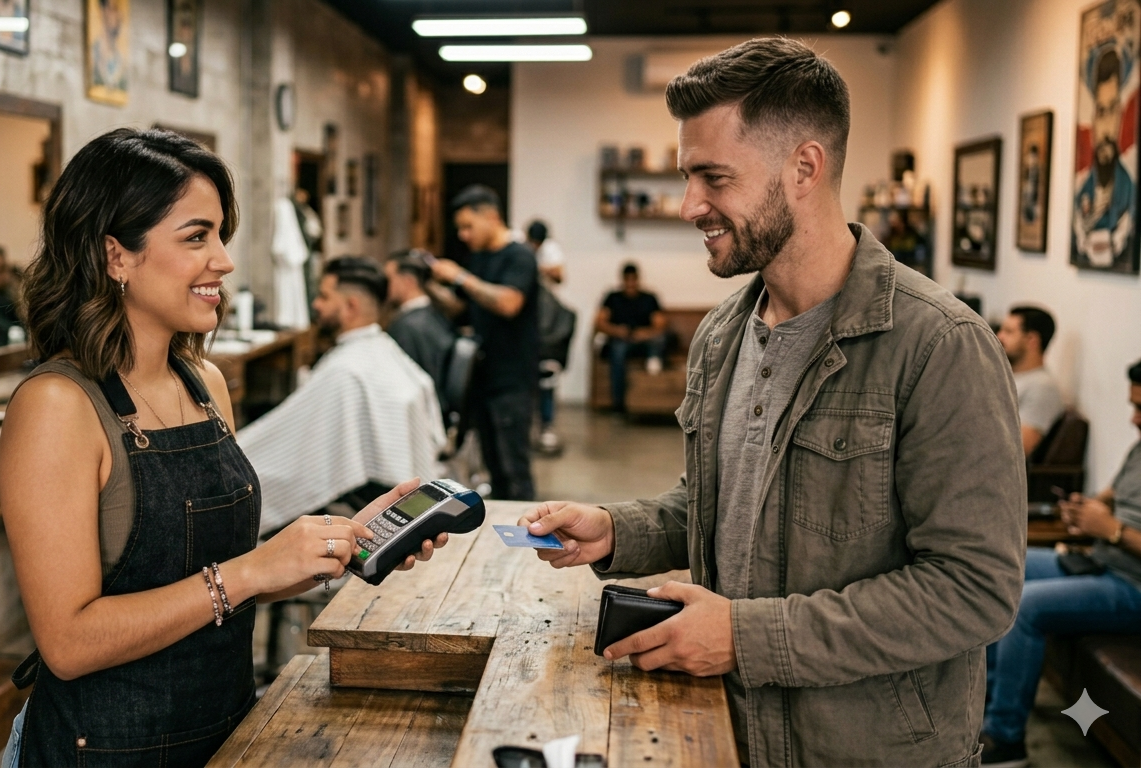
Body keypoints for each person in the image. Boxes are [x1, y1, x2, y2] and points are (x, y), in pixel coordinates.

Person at [518, 38, 1025, 767]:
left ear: (804, 167)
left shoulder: (941, 345)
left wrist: (742, 636)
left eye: (713, 177)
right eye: (689, 175)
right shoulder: (724, 334)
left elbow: (974, 590)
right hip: (726, 732)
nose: (691, 204)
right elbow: (721, 505)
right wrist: (614, 530)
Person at [0, 129, 445, 767]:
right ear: (115, 255)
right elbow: (68, 640)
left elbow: (212, 587)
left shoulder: (203, 384)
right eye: (196, 236)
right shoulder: (57, 407)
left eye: (220, 235)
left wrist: (328, 549)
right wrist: (252, 570)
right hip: (99, 751)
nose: (224, 261)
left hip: (221, 736)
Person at [981, 359, 1141, 767]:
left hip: (1131, 585)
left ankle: (1005, 737)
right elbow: (1109, 497)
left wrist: (1113, 532)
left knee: (1026, 605)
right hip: (1100, 562)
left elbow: (1116, 528)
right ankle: (980, 700)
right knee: (1000, 565)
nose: (1134, 419)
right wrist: (1084, 509)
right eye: (1132, 406)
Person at [238, 256, 445, 533]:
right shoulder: (381, 349)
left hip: (361, 492)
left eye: (324, 296)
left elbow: (301, 456)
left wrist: (231, 458)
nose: (316, 305)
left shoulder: (347, 370)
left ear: (350, 306)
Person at [430, 186, 540, 501]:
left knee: (514, 469)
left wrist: (461, 277)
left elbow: (508, 303)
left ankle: (530, 543)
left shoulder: (519, 256)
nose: (463, 235)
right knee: (494, 467)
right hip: (483, 377)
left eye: (468, 226)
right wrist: (431, 284)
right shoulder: (479, 257)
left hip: (512, 380)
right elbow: (463, 309)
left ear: (491, 217)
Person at [1073, 47, 1134, 269]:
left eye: (1111, 111)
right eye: (1101, 112)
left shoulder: (1129, 191)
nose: (1106, 129)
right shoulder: (1082, 193)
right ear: (1093, 119)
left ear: (1120, 114)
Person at [595, 262, 669, 412]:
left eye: (633, 280)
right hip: (621, 340)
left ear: (638, 279)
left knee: (659, 341)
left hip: (646, 340)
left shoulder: (649, 298)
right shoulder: (613, 297)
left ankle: (652, 389)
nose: (630, 284)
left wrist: (645, 333)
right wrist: (617, 331)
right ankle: (619, 403)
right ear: (622, 279)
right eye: (627, 280)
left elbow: (660, 324)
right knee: (618, 350)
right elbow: (599, 323)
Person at [527, 220, 572, 454]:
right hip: (528, 319)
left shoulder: (551, 250)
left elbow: (559, 276)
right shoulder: (520, 247)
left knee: (547, 373)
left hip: (546, 319)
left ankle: (546, 425)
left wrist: (537, 267)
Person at [996, 305, 1065, 456]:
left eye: (1008, 332)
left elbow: (1016, 449)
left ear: (1031, 340)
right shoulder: (1010, 375)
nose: (999, 337)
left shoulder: (1042, 387)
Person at [384, 250, 456, 394]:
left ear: (408, 281)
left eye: (388, 280)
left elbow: (402, 386)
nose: (384, 287)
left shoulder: (406, 327)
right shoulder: (437, 313)